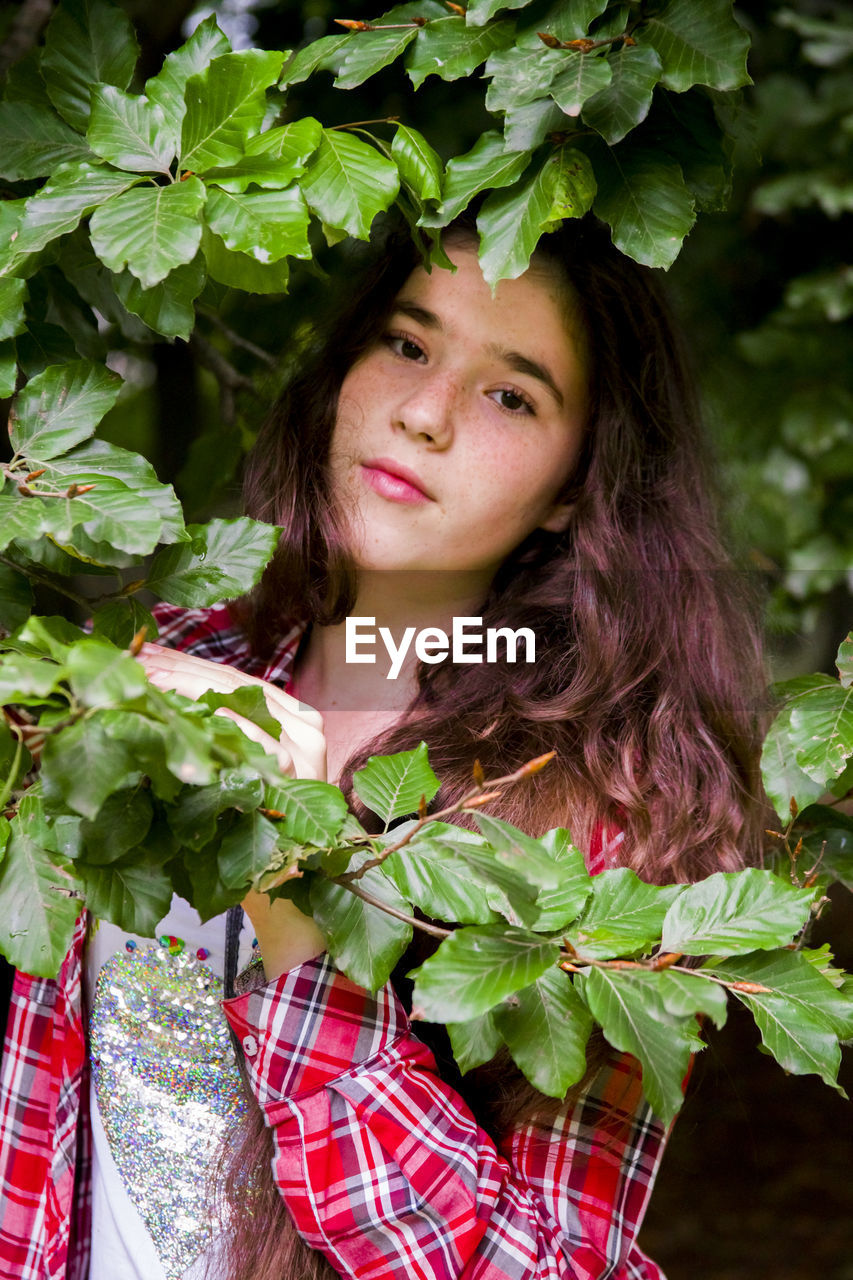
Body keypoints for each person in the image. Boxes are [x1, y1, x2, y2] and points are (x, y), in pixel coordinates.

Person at [0, 214, 767, 1280]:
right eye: (407, 343)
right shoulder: (169, 656)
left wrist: (289, 905)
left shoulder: (606, 836)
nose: (422, 413)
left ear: (574, 488)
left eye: (511, 393)